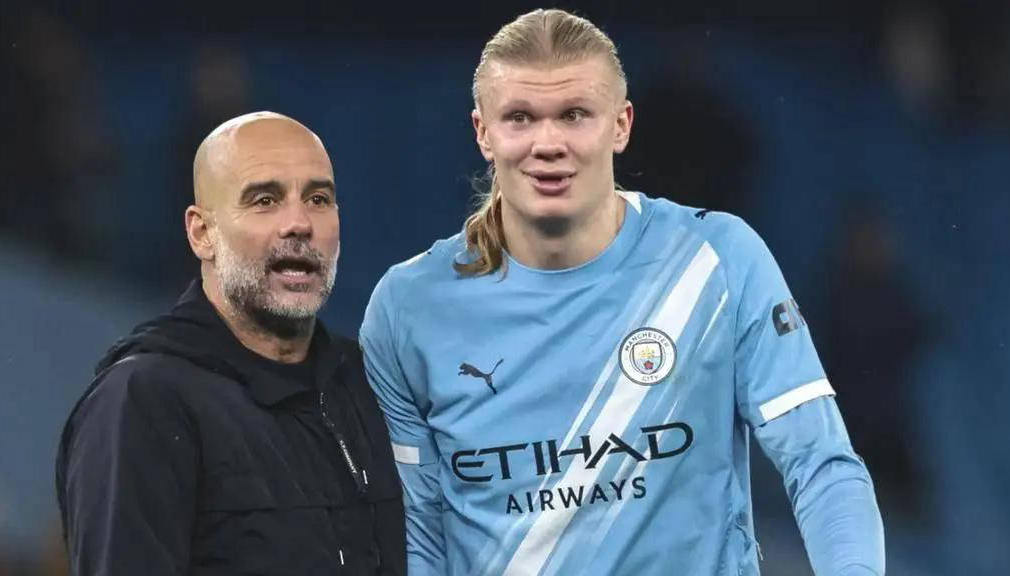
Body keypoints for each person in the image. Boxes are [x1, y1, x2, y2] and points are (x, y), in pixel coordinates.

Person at [360, 9, 884, 576]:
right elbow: (418, 535)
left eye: (574, 115)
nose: (548, 143)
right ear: (483, 132)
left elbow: (821, 464)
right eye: (519, 118)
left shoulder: (718, 260)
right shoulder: (408, 309)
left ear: (621, 124)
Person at [56, 112, 405, 575]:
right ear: (202, 233)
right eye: (265, 200)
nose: (299, 223)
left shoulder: (371, 384)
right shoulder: (143, 402)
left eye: (318, 199)